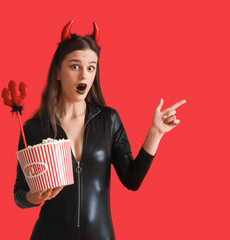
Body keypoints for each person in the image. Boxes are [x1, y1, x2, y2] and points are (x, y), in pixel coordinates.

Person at [14, 20, 186, 240]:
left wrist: (156, 132)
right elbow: (19, 195)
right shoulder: (34, 127)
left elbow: (132, 180)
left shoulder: (109, 119)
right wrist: (34, 197)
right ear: (58, 72)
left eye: (90, 67)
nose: (83, 75)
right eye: (74, 66)